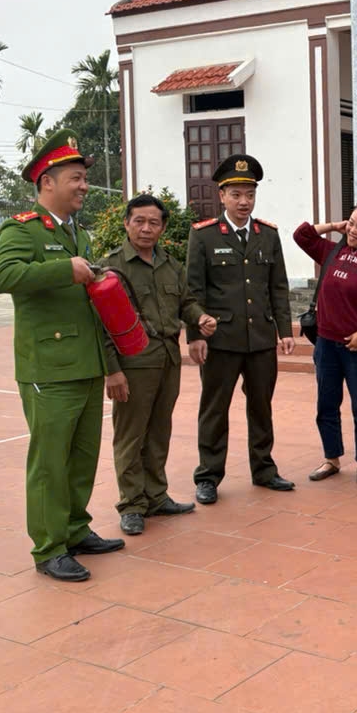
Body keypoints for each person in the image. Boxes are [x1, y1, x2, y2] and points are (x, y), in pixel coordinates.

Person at [0, 129, 125, 582]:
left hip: (85, 364)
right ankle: (48, 549)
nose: (85, 186)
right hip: (48, 367)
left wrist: (108, 365)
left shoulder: (80, 235)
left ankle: (74, 528)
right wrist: (63, 269)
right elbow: (2, 275)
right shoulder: (22, 229)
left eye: (85, 179)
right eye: (77, 178)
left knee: (82, 456)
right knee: (50, 461)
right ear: (47, 181)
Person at [101, 194, 217, 536]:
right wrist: (112, 370)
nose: (146, 228)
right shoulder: (112, 267)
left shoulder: (170, 265)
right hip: (132, 363)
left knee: (158, 431)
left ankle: (155, 495)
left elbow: (186, 302)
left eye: (154, 222)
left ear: (163, 227)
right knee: (130, 435)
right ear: (126, 223)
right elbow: (103, 324)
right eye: (139, 221)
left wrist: (201, 318)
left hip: (168, 359)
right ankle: (131, 504)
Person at [185, 154, 297, 505]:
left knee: (261, 407)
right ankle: (208, 476)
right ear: (222, 196)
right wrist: (195, 336)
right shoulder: (203, 236)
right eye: (236, 194)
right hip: (221, 340)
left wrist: (284, 330)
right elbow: (193, 291)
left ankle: (263, 469)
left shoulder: (268, 234)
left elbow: (277, 286)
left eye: (249, 194)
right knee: (214, 409)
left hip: (261, 338)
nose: (244, 201)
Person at [294, 203, 357, 485]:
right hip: (325, 344)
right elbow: (301, 235)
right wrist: (333, 226)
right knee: (326, 404)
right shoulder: (333, 251)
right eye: (351, 223)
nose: (352, 230)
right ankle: (331, 458)